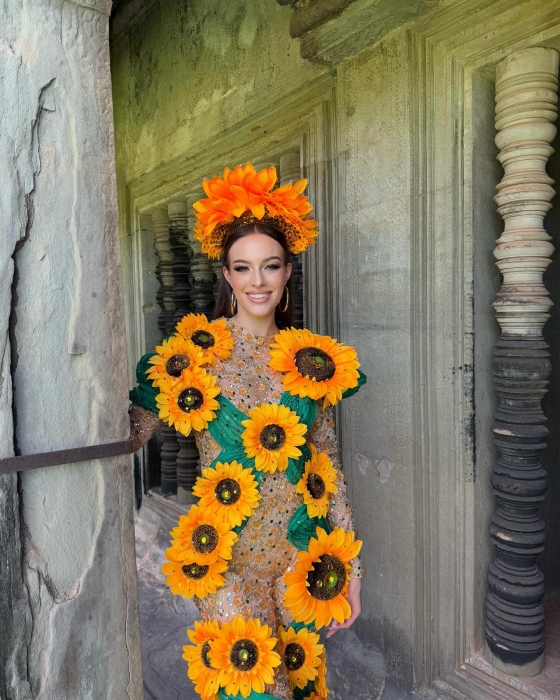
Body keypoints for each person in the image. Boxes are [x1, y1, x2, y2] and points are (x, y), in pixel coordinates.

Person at [129, 163, 366, 700]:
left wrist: (351, 565)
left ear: (286, 273)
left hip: (299, 559)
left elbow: (326, 465)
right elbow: (127, 437)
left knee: (302, 687)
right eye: (243, 267)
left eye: (270, 266)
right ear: (228, 276)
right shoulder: (189, 360)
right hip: (226, 561)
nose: (257, 281)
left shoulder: (315, 362)